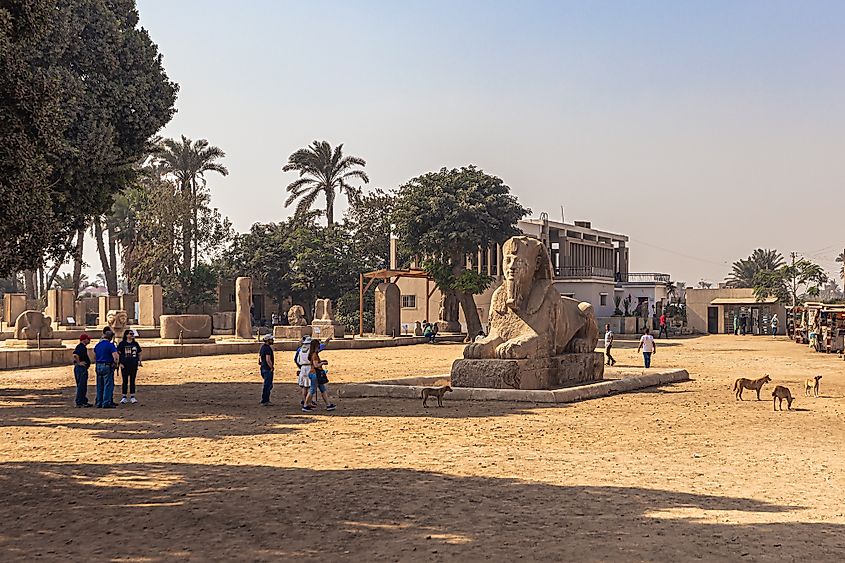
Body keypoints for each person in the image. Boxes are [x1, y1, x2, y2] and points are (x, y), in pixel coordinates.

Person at [295, 336, 330, 408]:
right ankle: (307, 403)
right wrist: (327, 340)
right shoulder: (311, 351)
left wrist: (300, 367)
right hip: (310, 368)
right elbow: (323, 346)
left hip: (303, 368)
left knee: (304, 386)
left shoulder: (300, 350)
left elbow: (296, 359)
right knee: (311, 387)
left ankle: (305, 401)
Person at [303, 339, 336, 412]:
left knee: (322, 389)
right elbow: (316, 365)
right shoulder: (314, 355)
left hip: (314, 373)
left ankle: (328, 405)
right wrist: (322, 363)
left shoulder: (313, 354)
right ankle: (305, 405)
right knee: (312, 390)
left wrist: (321, 361)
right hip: (315, 374)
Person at [94, 330, 119, 408]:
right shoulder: (110, 345)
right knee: (108, 385)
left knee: (100, 385)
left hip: (98, 365)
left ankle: (99, 402)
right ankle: (106, 402)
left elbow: (94, 356)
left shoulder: (98, 345)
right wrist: (116, 364)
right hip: (107, 365)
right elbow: (115, 356)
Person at [117, 329, 142, 405]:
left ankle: (132, 396)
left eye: (132, 334)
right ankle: (124, 396)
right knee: (124, 381)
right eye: (130, 334)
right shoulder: (122, 344)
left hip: (133, 364)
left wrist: (139, 361)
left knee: (132, 380)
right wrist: (119, 363)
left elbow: (140, 353)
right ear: (126, 335)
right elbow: (118, 353)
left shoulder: (135, 343)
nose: (132, 335)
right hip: (124, 365)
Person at [72, 334, 92, 408]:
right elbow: (75, 355)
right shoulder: (81, 347)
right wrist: (79, 363)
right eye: (88, 339)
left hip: (81, 368)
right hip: (81, 369)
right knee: (81, 386)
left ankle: (83, 400)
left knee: (82, 386)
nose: (89, 340)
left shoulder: (82, 347)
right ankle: (80, 401)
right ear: (84, 340)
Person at [259, 334, 275, 406]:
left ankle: (265, 399)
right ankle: (265, 400)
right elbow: (268, 359)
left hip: (263, 367)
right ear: (268, 341)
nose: (273, 341)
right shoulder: (268, 349)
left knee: (268, 384)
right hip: (267, 368)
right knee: (267, 385)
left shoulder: (262, 348)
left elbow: (259, 358)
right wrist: (271, 367)